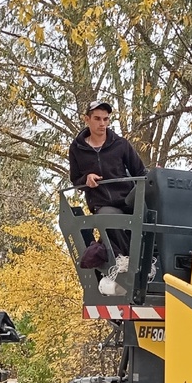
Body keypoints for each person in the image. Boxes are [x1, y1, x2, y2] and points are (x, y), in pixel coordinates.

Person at [67, 99, 146, 295]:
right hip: (102, 202)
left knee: (147, 214)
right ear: (87, 119)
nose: (102, 123)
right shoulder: (76, 149)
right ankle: (123, 260)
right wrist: (87, 179)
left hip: (126, 198)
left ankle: (145, 263)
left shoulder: (120, 144)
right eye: (97, 119)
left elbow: (140, 171)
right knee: (109, 216)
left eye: (106, 119)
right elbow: (75, 180)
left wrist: (153, 178)